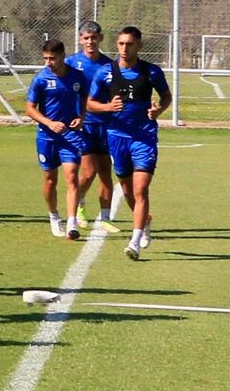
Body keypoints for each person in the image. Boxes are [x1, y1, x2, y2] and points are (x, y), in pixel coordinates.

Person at [87, 26, 172, 261]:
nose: (125, 48)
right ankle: (145, 222)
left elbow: (166, 96)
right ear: (117, 44)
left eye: (130, 44)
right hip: (116, 137)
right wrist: (107, 107)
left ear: (139, 46)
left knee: (140, 188)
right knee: (126, 189)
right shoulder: (105, 72)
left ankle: (134, 241)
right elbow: (89, 103)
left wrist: (158, 110)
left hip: (144, 137)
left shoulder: (152, 72)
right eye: (121, 43)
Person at [26, 39, 89, 240]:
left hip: (71, 135)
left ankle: (72, 223)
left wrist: (81, 117)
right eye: (46, 58)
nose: (49, 62)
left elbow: (85, 98)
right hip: (47, 136)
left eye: (52, 58)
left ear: (63, 56)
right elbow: (30, 108)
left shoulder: (77, 76)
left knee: (71, 176)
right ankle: (54, 216)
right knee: (50, 179)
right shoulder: (41, 79)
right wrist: (49, 123)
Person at [67, 20, 119, 233]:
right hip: (83, 125)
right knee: (88, 172)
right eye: (86, 38)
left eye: (94, 38)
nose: (90, 41)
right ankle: (78, 203)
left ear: (101, 39)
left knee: (106, 172)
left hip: (105, 125)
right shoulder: (71, 63)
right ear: (80, 39)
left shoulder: (109, 65)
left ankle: (105, 218)